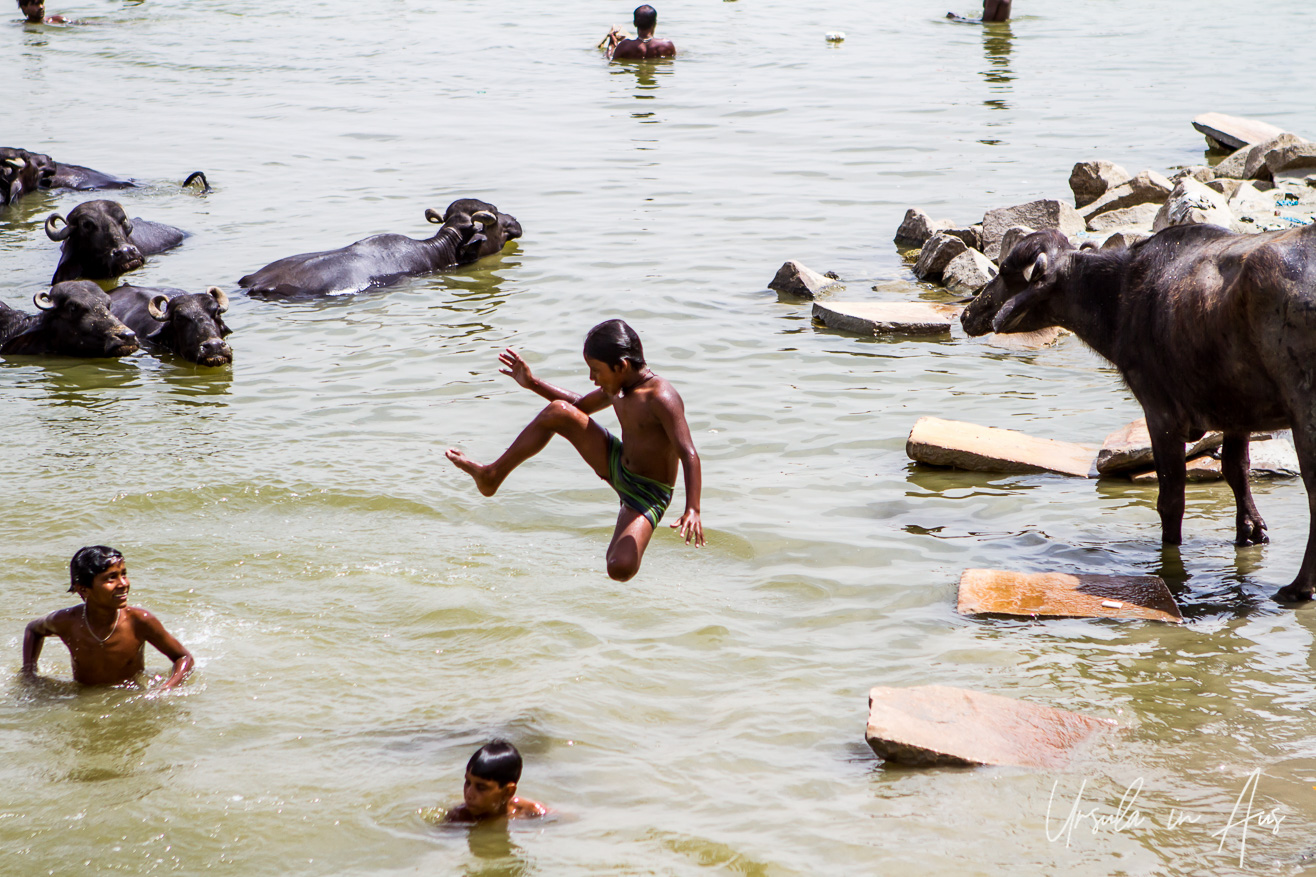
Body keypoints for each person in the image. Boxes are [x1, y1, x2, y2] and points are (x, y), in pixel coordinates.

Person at [446, 319, 704, 581]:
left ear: (621, 366)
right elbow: (577, 407)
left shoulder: (660, 397)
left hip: (647, 493)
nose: (592, 379)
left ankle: (628, 513)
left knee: (619, 567)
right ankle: (491, 475)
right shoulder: (617, 386)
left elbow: (689, 453)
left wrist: (692, 509)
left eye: (596, 371)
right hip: (615, 462)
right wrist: (532, 383)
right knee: (557, 412)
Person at [22, 546, 194, 692]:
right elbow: (33, 629)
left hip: (129, 694)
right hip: (84, 696)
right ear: (83, 589)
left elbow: (184, 658)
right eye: (111, 578)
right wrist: (29, 672)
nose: (123, 583)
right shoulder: (67, 622)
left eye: (124, 574)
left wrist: (166, 689)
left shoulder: (139, 621)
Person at [444, 741, 547, 823]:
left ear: (508, 792)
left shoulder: (533, 812)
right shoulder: (459, 818)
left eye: (481, 787)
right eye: (468, 782)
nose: (469, 794)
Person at [603, 5, 675, 60]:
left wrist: (611, 46)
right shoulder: (667, 45)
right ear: (655, 23)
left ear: (634, 23)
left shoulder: (624, 46)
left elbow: (610, 61)